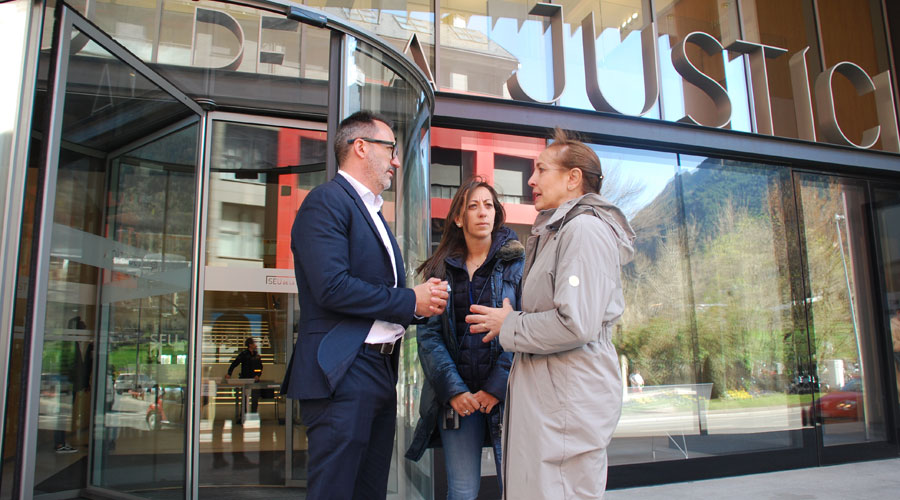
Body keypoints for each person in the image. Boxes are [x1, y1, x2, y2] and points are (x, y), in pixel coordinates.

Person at [281, 111, 448, 500]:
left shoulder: (372, 211)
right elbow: (332, 287)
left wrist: (419, 306)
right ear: (360, 147)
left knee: (369, 491)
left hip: (378, 371)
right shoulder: (326, 201)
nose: (395, 160)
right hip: (344, 371)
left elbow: (372, 291)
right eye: (390, 148)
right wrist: (410, 299)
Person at [466, 128, 635, 499]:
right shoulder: (556, 232)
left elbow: (575, 324)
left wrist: (509, 324)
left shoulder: (584, 230)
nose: (531, 179)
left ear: (573, 178)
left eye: (541, 169)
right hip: (554, 399)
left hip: (566, 402)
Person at [405, 179, 524, 499]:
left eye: (488, 205)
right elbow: (429, 337)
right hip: (459, 400)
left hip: (508, 396)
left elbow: (525, 329)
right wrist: (454, 391)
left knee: (517, 488)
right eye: (473, 206)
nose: (482, 212)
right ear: (458, 218)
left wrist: (496, 387)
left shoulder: (518, 265)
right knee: (461, 491)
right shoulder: (439, 269)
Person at [224, 337, 264, 413]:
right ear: (250, 345)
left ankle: (253, 414)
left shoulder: (256, 355)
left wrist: (258, 375)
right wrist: (229, 373)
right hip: (245, 379)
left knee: (255, 398)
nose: (256, 345)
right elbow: (234, 363)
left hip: (254, 380)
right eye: (254, 343)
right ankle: (244, 414)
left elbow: (260, 367)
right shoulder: (244, 354)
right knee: (245, 398)